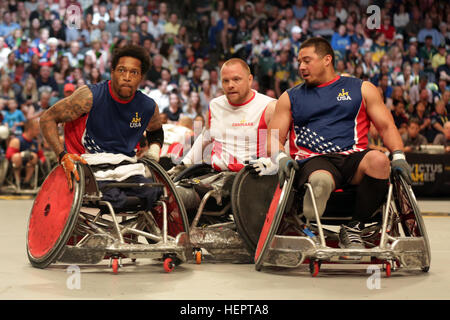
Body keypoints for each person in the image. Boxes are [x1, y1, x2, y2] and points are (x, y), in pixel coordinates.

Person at [267, 37, 412, 252]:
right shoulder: (290, 97)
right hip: (314, 161)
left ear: (327, 59)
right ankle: (309, 228)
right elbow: (272, 137)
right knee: (320, 182)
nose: (301, 67)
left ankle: (353, 228)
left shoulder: (362, 89)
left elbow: (387, 126)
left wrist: (398, 155)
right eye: (299, 62)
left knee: (380, 161)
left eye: (307, 61)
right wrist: (281, 158)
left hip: (354, 160)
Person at [40, 45, 165, 210]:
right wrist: (62, 156)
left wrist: (154, 151)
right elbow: (47, 118)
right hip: (89, 167)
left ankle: (149, 234)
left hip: (126, 168)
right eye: (121, 70)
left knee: (155, 193)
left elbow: (155, 131)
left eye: (133, 72)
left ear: (141, 77)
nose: (127, 77)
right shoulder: (89, 96)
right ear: (112, 72)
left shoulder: (148, 106)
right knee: (115, 199)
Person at [168, 58, 276, 219]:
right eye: (225, 81)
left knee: (181, 197)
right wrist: (184, 164)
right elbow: (205, 137)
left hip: (250, 179)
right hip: (216, 175)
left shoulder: (269, 106)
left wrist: (270, 163)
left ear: (250, 80)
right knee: (170, 192)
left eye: (236, 79)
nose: (230, 85)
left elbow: (282, 146)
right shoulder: (215, 105)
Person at [5, 119, 45, 189]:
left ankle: (26, 182)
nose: (38, 132)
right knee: (16, 156)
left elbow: (42, 156)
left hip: (30, 165)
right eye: (37, 130)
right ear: (30, 130)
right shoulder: (16, 141)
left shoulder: (36, 143)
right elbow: (8, 156)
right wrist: (22, 155)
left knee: (34, 156)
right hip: (17, 165)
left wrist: (40, 161)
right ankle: (17, 182)